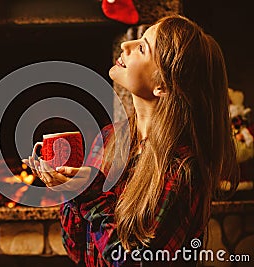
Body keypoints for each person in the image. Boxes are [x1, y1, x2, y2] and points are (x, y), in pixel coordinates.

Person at [23, 14, 239, 266]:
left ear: (163, 86)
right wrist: (71, 192)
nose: (126, 46)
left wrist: (90, 195)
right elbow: (78, 252)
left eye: (141, 47)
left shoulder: (181, 169)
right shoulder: (109, 139)